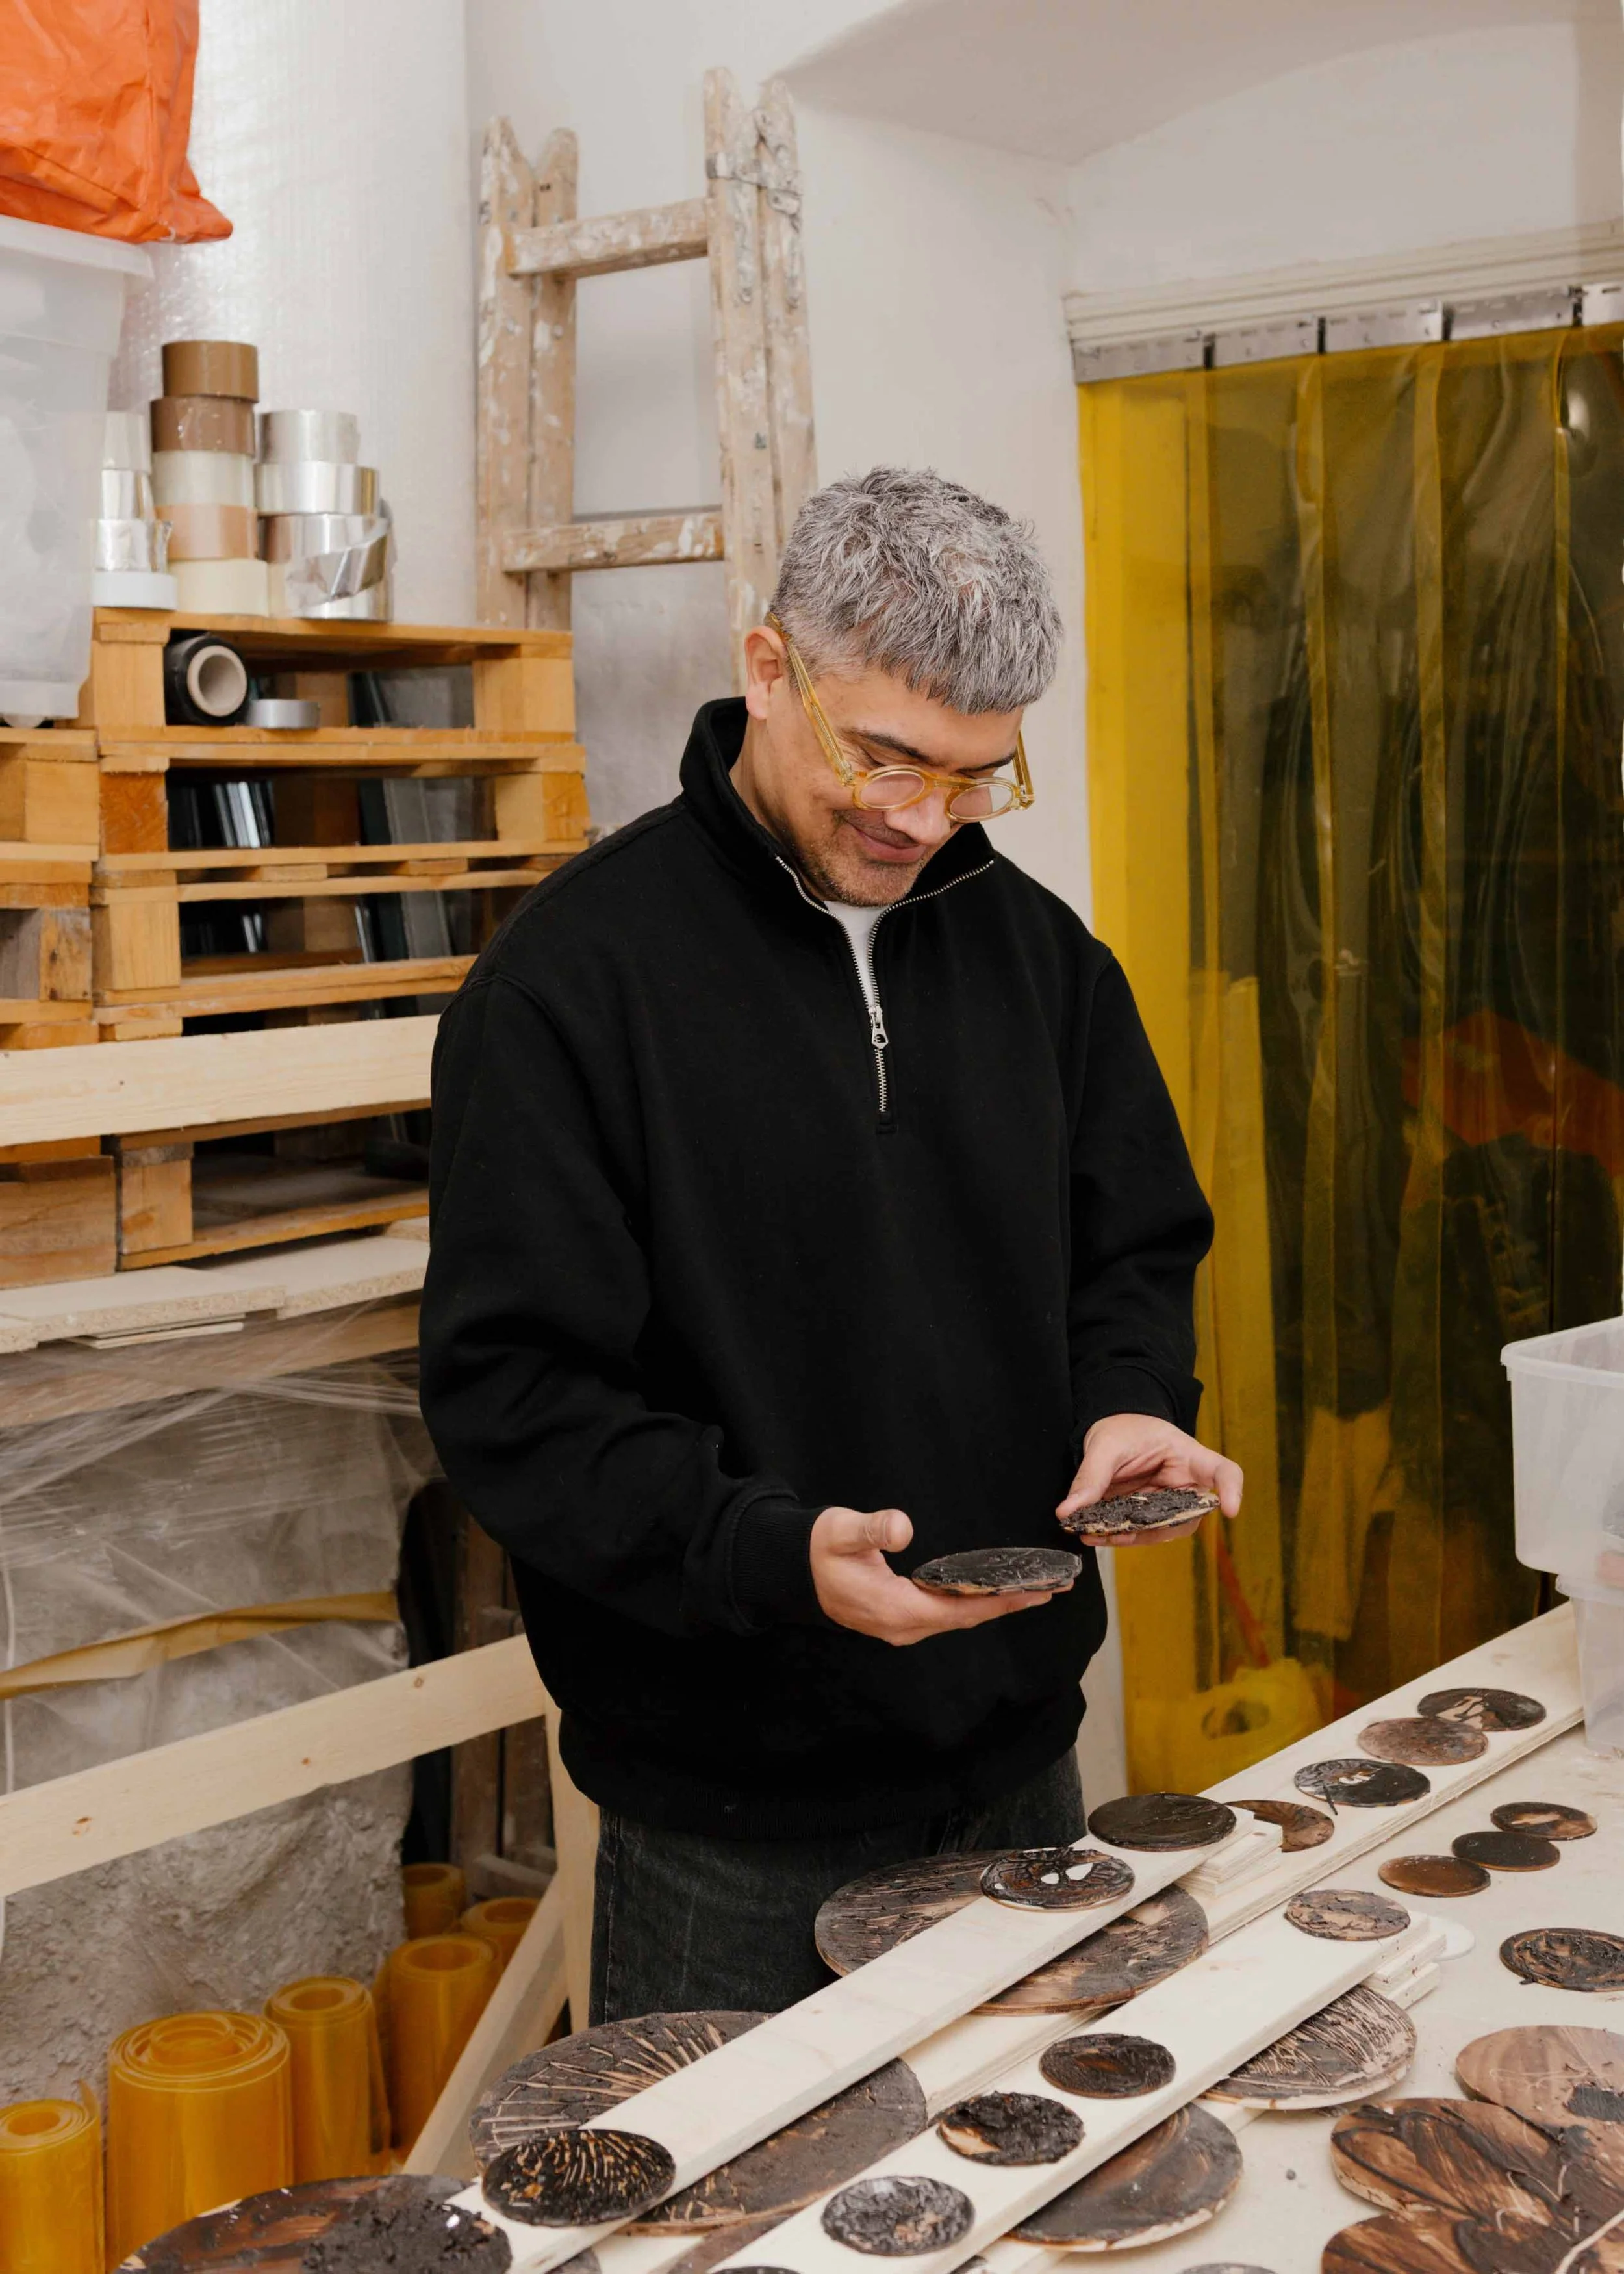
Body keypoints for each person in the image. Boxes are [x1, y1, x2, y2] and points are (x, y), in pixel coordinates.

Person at [420, 466, 1239, 2023]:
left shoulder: (1042, 961)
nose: (919, 820)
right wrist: (767, 1555)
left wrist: (1130, 1396)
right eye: (885, 757)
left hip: (1020, 1764)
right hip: (728, 1821)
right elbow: (513, 1401)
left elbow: (1127, 1242)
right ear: (765, 669)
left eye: (976, 778)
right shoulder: (567, 994)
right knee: (720, 2249)